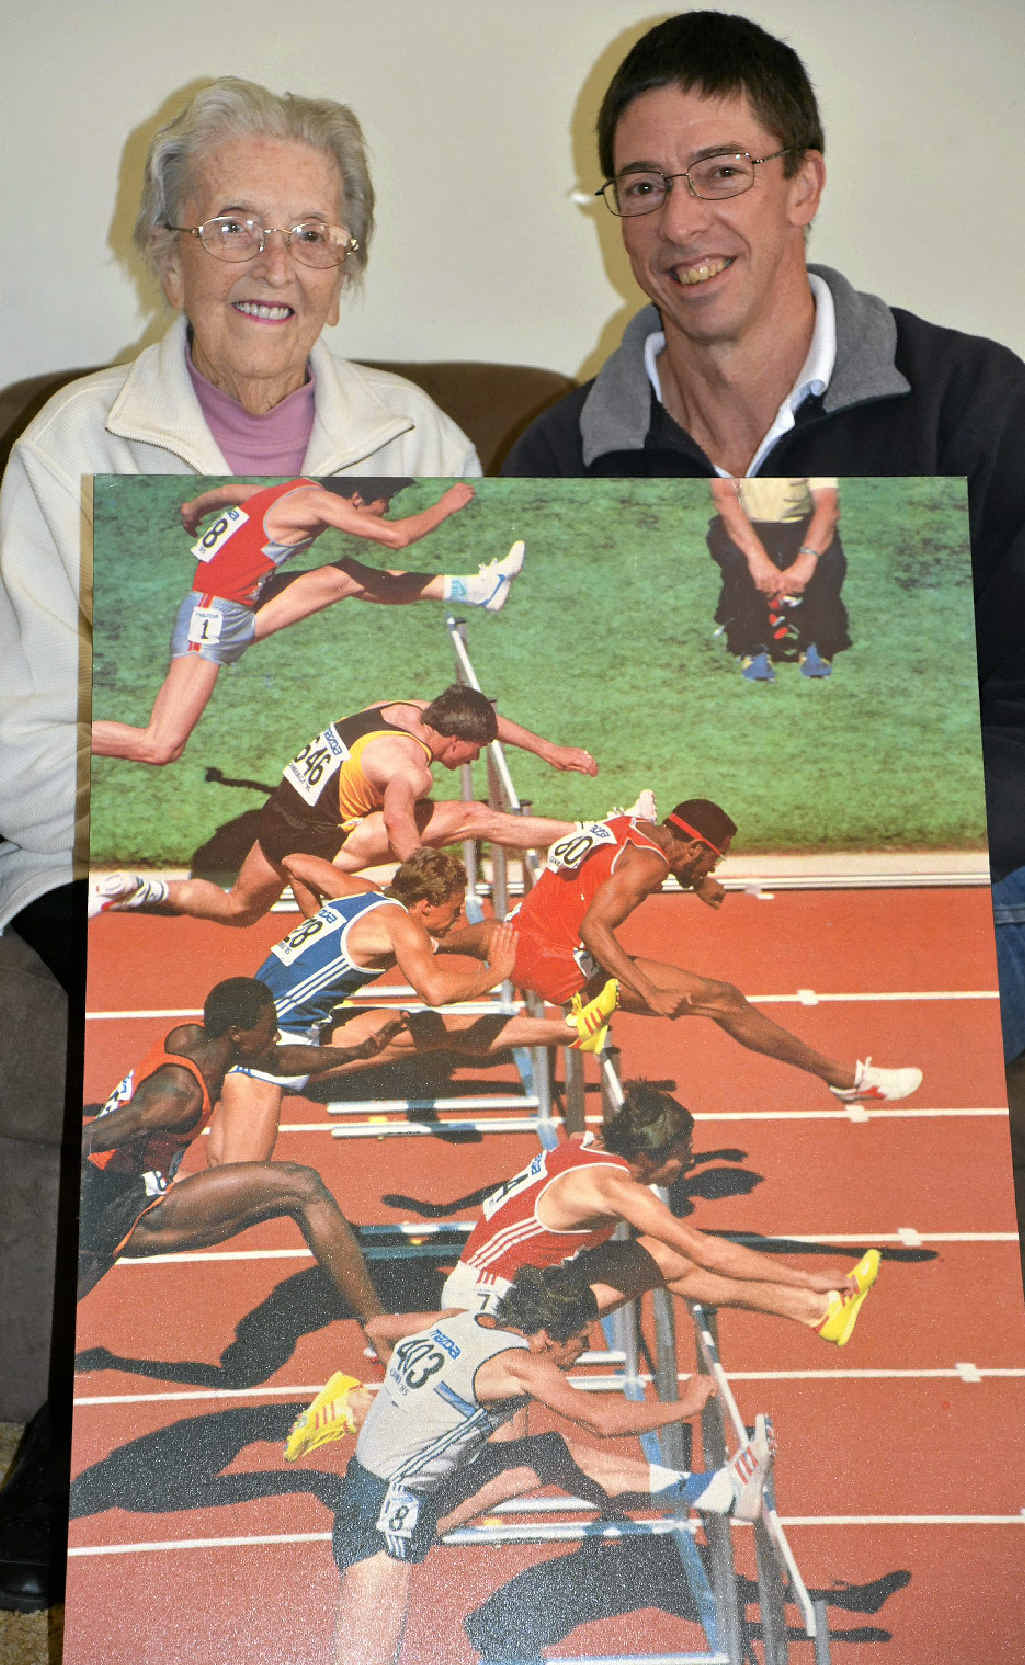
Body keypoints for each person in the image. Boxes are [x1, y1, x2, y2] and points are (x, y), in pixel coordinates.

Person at [0, 75, 482, 1609]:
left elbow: (429, 660)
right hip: (98, 860)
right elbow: (21, 740)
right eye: (234, 225)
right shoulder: (70, 446)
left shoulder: (416, 431)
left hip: (295, 839)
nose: (274, 263)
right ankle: (58, 1458)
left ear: (346, 263)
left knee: (311, 1006)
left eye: (312, 233)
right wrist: (143, 853)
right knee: (150, 1054)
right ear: (166, 250)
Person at [501, 9, 1025, 931]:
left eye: (721, 172)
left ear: (803, 184)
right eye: (642, 185)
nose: (678, 221)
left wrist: (888, 860)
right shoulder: (565, 459)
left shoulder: (973, 405)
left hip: (960, 888)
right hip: (678, 890)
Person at [297, 1263, 774, 1665]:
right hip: (378, 1515)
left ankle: (719, 1492)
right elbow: (602, 1419)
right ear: (546, 1338)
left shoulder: (465, 1318)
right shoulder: (522, 1365)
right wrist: (684, 1405)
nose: (584, 1348)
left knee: (543, 1455)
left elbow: (380, 1329)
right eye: (580, 1339)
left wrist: (389, 1408)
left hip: (410, 1494)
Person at [450, 798, 921, 1104]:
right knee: (725, 999)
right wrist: (649, 993)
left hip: (511, 935)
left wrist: (699, 881)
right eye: (713, 857)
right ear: (695, 845)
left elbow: (660, 858)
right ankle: (845, 1079)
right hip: (561, 969)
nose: (713, 865)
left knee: (437, 940)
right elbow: (595, 929)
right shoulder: (650, 864)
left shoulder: (630, 825)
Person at [208, 849, 619, 1163]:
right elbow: (435, 991)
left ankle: (574, 1031)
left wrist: (316, 920)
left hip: (291, 1024)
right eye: (454, 908)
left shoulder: (359, 893)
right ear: (424, 905)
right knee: (238, 1180)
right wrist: (498, 973)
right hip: (264, 1047)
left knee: (432, 1031)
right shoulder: (400, 924)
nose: (459, 918)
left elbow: (295, 863)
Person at [92, 476, 525, 765]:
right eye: (382, 504)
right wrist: (448, 505)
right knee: (160, 745)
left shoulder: (292, 491)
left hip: (241, 606)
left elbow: (228, 491)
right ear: (357, 497)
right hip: (212, 619)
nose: (381, 513)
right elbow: (398, 537)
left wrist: (192, 507)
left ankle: (477, 589)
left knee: (346, 576)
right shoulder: (320, 502)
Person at [90, 684, 598, 927]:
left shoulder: (409, 708)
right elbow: (399, 820)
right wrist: (426, 869)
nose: (476, 757)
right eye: (475, 750)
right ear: (453, 739)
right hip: (319, 842)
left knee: (239, 907)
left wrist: (548, 750)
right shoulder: (408, 769)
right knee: (471, 818)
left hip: (278, 822)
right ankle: (593, 830)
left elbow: (484, 719)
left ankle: (139, 889)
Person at [437, 1085, 880, 1347]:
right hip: (487, 1303)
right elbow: (704, 1249)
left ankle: (819, 1313)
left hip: (513, 1279)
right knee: (502, 1413)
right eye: (683, 1155)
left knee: (662, 1257)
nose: (689, 1164)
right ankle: (814, 1300)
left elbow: (574, 1144)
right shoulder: (615, 1189)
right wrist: (806, 1275)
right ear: (648, 1156)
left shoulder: (586, 1147)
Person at [78, 976, 405, 1320]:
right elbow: (92, 1136)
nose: (276, 1036)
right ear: (236, 1033)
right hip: (123, 1211)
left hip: (123, 1194)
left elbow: (278, 1061)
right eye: (270, 1029)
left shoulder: (195, 1039)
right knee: (303, 1186)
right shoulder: (178, 1095)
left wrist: (355, 1053)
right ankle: (379, 1326)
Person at [707, 477, 848, 679]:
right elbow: (724, 497)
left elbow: (828, 505)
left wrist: (806, 560)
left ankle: (815, 639)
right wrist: (757, 558)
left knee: (831, 561)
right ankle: (752, 644)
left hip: (799, 525)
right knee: (739, 564)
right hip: (744, 524)